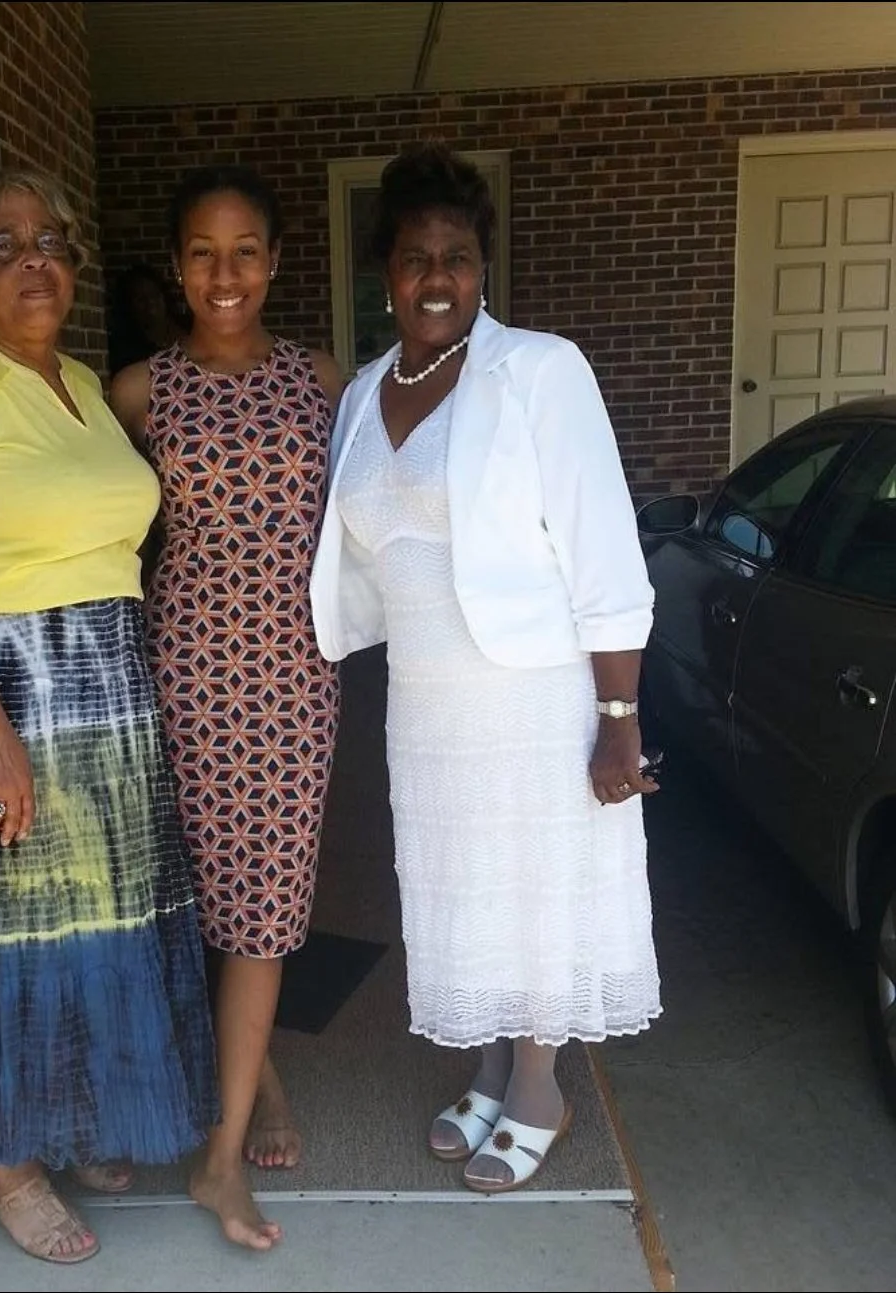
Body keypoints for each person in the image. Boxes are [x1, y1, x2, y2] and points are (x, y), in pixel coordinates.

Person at [0, 165, 219, 1264]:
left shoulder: (79, 382)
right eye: (6, 244)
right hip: (4, 685)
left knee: (87, 916)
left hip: (105, 687)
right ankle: (3, 1160)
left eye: (52, 242)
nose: (37, 261)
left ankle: (65, 1115)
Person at [309, 142, 662, 1194]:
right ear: (386, 273)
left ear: (482, 269)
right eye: (415, 258)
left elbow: (603, 548)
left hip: (535, 694)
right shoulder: (364, 394)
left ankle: (543, 1083)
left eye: (456, 257)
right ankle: (493, 1058)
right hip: (426, 701)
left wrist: (619, 717)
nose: (436, 278)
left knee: (533, 885)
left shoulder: (539, 372)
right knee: (461, 884)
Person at [110, 165, 344, 1249]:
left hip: (295, 675)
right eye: (202, 251)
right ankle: (253, 1081)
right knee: (191, 896)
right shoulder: (137, 392)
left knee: (266, 903)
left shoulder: (323, 382)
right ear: (175, 266)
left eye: (246, 248)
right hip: (186, 670)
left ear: (277, 261)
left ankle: (220, 1159)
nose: (224, 272)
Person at [107, 262, 183, 376]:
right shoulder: (128, 350)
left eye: (154, 294)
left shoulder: (188, 326)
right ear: (128, 305)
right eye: (141, 298)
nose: (150, 302)